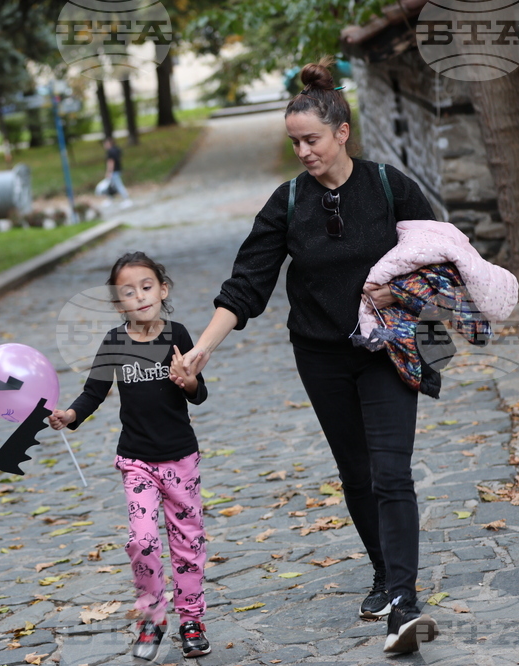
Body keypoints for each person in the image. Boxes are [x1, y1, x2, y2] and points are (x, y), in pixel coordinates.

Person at [174, 57, 440, 655]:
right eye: (294, 142)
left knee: (391, 471)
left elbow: (440, 262)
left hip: (389, 348)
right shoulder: (288, 201)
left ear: (342, 133)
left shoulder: (389, 187)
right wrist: (199, 352)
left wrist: (397, 291)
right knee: (356, 473)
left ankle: (404, 600)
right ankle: (382, 570)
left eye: (311, 139)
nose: (302, 151)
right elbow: (246, 286)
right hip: (321, 356)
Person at [48, 252, 210, 661]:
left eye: (146, 286)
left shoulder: (179, 335)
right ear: (119, 304)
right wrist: (70, 415)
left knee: (187, 543)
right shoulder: (114, 342)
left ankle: (191, 619)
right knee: (143, 540)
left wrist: (188, 381)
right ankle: (152, 619)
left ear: (163, 289)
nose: (139, 296)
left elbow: (199, 392)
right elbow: (93, 392)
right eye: (128, 292)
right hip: (136, 459)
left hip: (180, 459)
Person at [102, 137, 132, 207]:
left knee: (118, 185)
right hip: (118, 169)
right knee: (112, 185)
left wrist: (109, 172)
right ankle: (110, 199)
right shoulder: (117, 149)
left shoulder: (110, 152)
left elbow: (111, 162)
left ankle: (126, 199)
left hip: (114, 171)